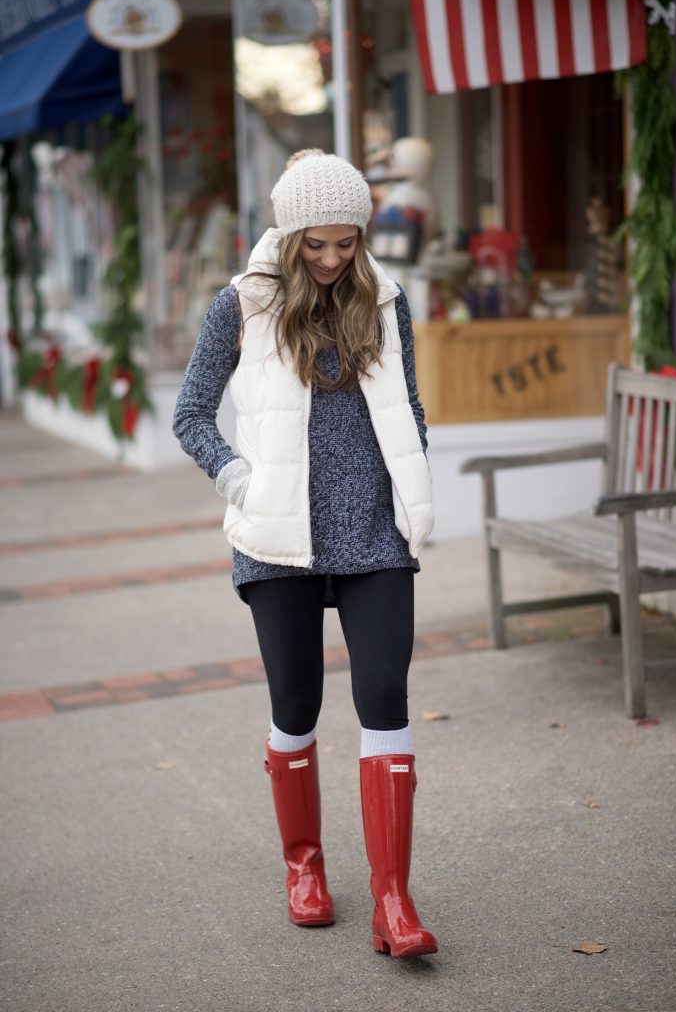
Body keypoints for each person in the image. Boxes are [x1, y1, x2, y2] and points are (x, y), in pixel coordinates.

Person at [173, 149, 437, 958]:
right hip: (278, 538)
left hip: (372, 535)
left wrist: (411, 493)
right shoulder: (241, 307)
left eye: (346, 243)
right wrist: (240, 481)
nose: (331, 260)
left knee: (384, 698)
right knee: (296, 707)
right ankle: (305, 870)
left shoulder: (385, 304)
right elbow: (191, 415)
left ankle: (393, 900)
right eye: (315, 245)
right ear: (288, 237)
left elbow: (411, 408)